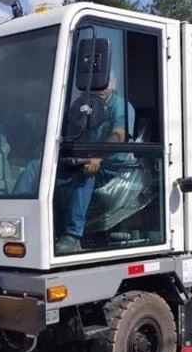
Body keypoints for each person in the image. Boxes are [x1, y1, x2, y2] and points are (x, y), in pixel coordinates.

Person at [14, 76, 135, 254]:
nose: (99, 86)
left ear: (114, 83)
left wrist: (97, 156)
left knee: (85, 173)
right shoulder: (82, 106)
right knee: (35, 167)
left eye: (105, 81)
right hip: (82, 160)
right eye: (95, 81)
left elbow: (119, 135)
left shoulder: (120, 106)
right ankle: (17, 219)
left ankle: (72, 236)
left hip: (112, 166)